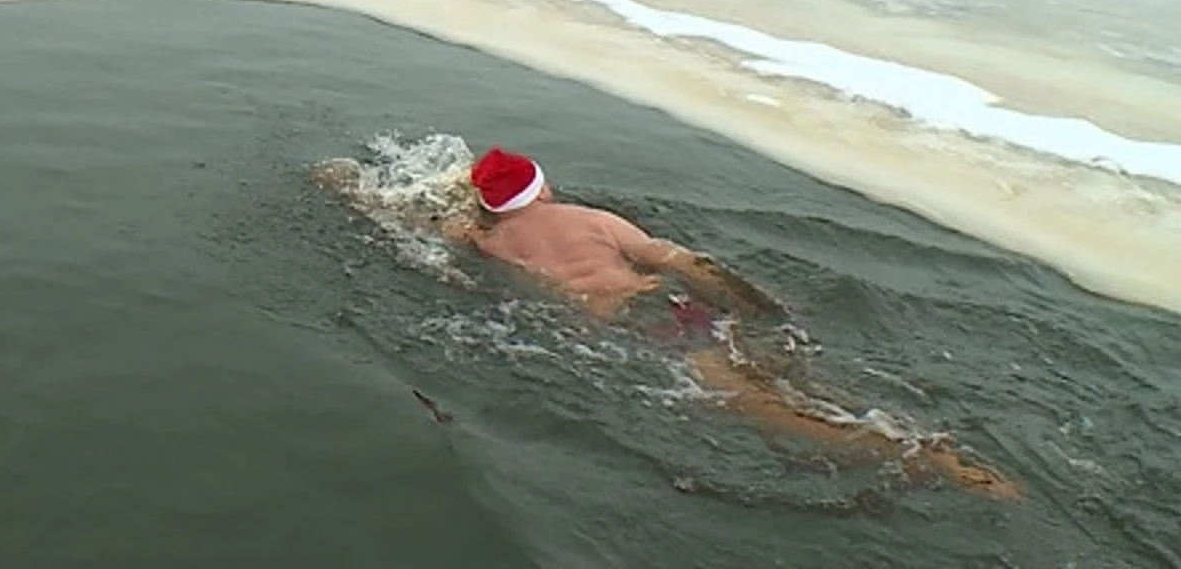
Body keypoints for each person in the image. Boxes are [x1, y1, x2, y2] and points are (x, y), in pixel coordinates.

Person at [310, 145, 1022, 501]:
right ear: (543, 187)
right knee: (785, 380)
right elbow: (687, 262)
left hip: (640, 331)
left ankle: (934, 461)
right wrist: (761, 302)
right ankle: (913, 446)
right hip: (678, 307)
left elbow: (396, 217)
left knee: (761, 409)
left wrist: (339, 183)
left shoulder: (487, 241)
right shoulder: (593, 219)